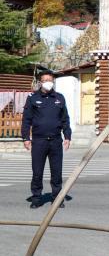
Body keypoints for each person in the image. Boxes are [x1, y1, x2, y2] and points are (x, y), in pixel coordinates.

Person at [21, 71, 71, 209]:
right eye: (45, 80)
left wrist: (67, 136)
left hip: (55, 141)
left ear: (53, 81)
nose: (48, 82)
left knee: (57, 172)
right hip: (39, 141)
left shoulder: (59, 98)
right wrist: (26, 138)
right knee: (37, 172)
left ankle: (57, 197)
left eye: (50, 79)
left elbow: (65, 119)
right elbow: (26, 120)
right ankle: (36, 198)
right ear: (40, 82)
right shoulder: (32, 98)